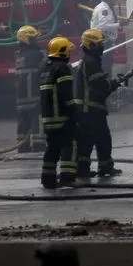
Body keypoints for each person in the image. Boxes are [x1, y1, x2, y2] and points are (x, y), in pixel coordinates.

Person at [73, 29, 121, 182]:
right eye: (99, 44)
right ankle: (94, 168)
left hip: (89, 110)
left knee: (96, 139)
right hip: (90, 110)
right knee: (96, 139)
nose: (102, 47)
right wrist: (114, 83)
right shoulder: (91, 62)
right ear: (91, 45)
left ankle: (94, 168)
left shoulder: (88, 60)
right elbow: (101, 86)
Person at [39, 37, 79, 188]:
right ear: (63, 52)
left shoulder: (45, 68)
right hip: (61, 116)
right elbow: (66, 94)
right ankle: (67, 177)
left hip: (48, 118)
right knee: (70, 144)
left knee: (53, 147)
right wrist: (74, 111)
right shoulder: (63, 69)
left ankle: (47, 179)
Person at [15, 25, 45, 153]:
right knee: (37, 120)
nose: (36, 41)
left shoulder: (20, 54)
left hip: (21, 97)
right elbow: (43, 69)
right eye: (33, 38)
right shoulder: (35, 54)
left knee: (23, 121)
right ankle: (38, 145)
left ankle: (22, 145)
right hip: (34, 94)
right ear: (26, 39)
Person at [89, 0, 120, 78]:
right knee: (105, 66)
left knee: (106, 65)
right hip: (102, 43)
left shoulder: (106, 7)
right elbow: (103, 26)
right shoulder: (104, 9)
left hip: (103, 42)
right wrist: (119, 25)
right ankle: (106, 85)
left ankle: (105, 84)